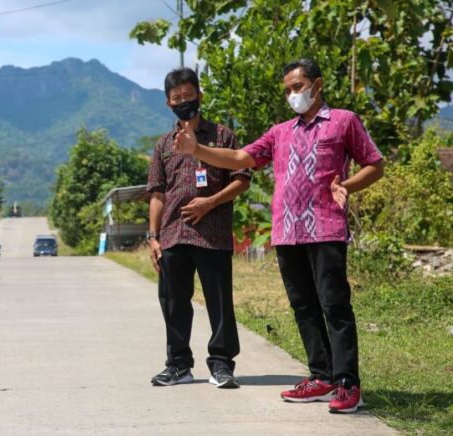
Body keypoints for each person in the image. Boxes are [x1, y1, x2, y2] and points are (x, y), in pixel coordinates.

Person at [174, 59, 384, 413]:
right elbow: (240, 156)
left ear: (317, 85)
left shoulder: (344, 121)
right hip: (287, 232)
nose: (292, 95)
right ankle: (321, 377)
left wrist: (346, 185)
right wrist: (197, 150)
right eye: (287, 90)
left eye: (298, 87)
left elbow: (374, 165)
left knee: (334, 306)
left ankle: (348, 384)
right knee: (303, 307)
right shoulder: (280, 131)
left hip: (325, 227)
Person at [147, 67, 251, 389]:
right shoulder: (163, 144)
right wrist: (153, 236)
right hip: (173, 235)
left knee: (219, 302)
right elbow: (157, 193)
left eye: (188, 96)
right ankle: (178, 365)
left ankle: (221, 365)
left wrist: (210, 203)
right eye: (176, 98)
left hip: (213, 234)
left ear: (200, 96)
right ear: (168, 103)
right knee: (174, 303)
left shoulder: (222, 137)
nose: (183, 102)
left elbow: (242, 180)